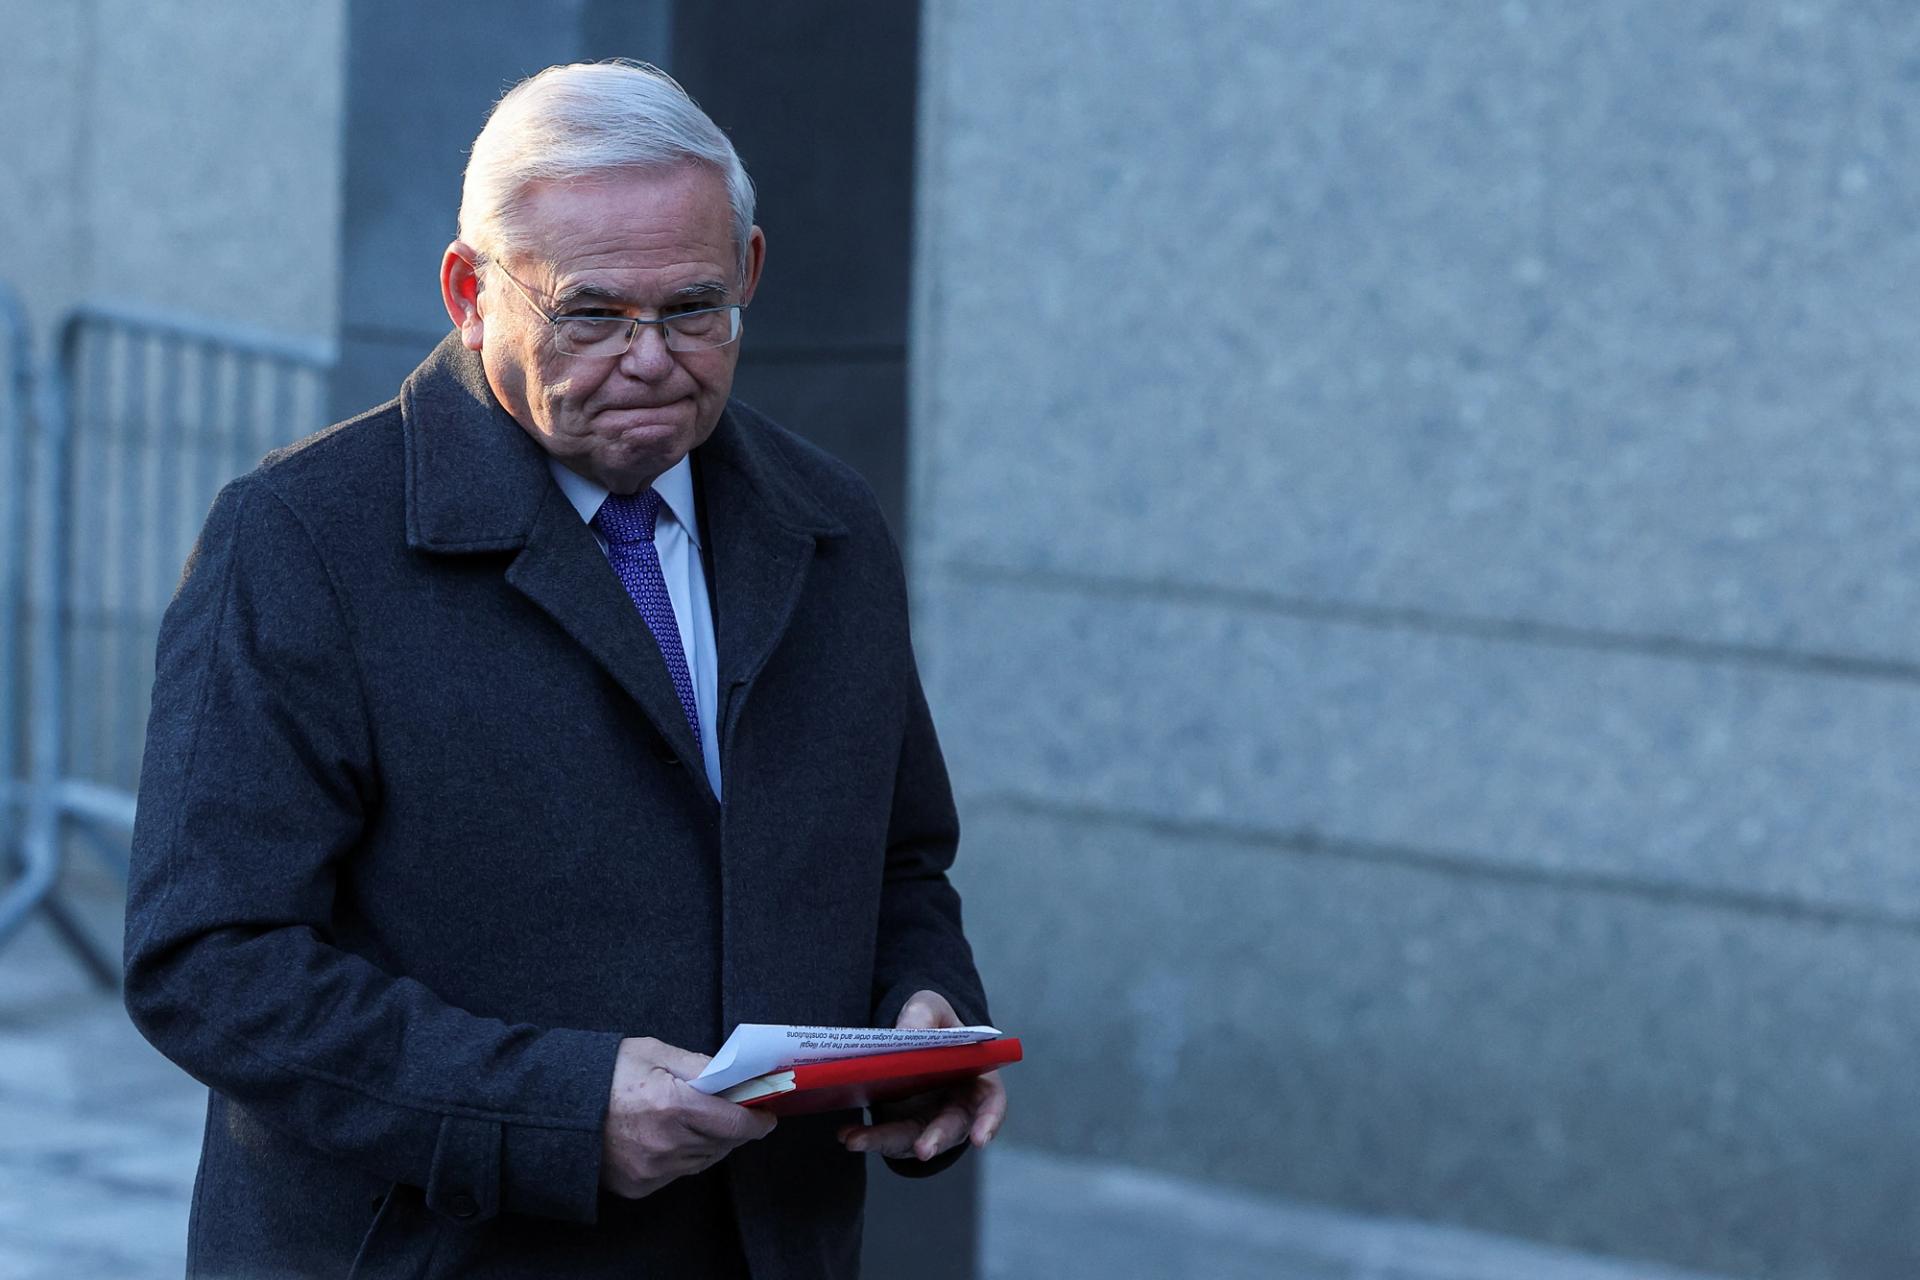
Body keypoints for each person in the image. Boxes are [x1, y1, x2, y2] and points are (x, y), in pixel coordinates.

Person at [123, 60, 1003, 1279]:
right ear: (469, 294)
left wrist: (927, 1013)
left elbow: (898, 859)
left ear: (749, 274)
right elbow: (208, 964)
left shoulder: (829, 523)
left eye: (693, 309)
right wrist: (556, 1107)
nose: (648, 358)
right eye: (592, 313)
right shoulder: (300, 538)